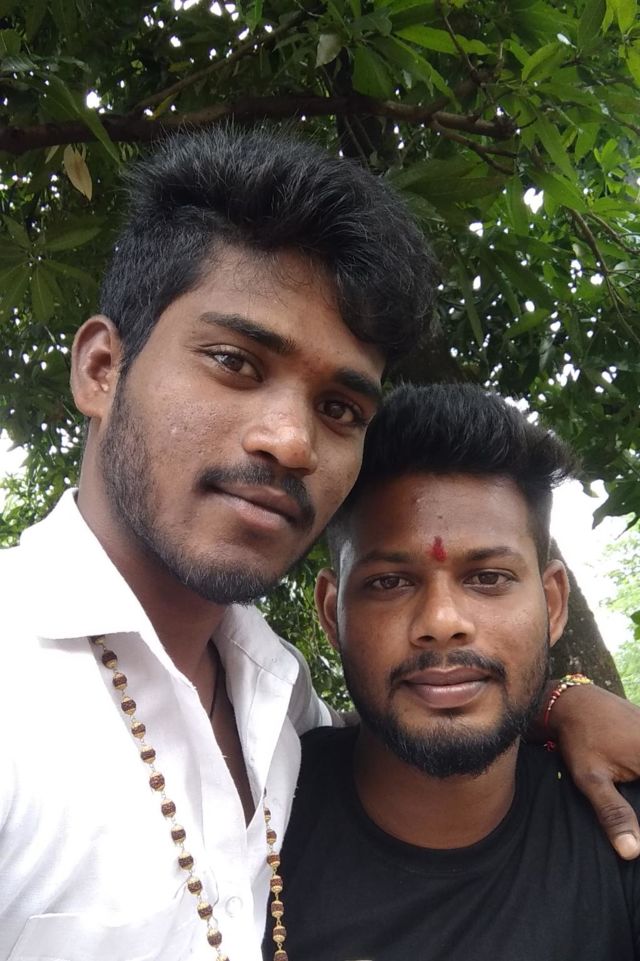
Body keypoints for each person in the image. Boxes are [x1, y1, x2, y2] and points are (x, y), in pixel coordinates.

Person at [0, 128, 638, 961]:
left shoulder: (274, 694)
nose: (292, 441)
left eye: (340, 408)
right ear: (100, 368)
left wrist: (562, 700)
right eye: (235, 361)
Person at [278, 383, 640, 961]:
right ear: (331, 613)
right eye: (389, 582)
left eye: (489, 578)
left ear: (552, 605)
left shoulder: (620, 826)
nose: (442, 622)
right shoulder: (249, 816)